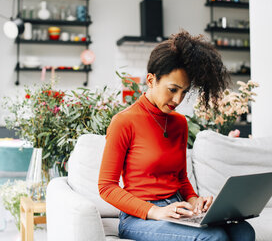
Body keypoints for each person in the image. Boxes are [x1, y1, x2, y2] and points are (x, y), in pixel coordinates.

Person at [98, 30, 255, 241]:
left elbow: (181, 178)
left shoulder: (180, 123)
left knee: (243, 231)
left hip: (178, 208)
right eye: (172, 89)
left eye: (184, 92)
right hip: (139, 217)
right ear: (151, 80)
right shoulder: (124, 121)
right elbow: (106, 187)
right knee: (214, 237)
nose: (178, 99)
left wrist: (194, 201)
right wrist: (155, 211)